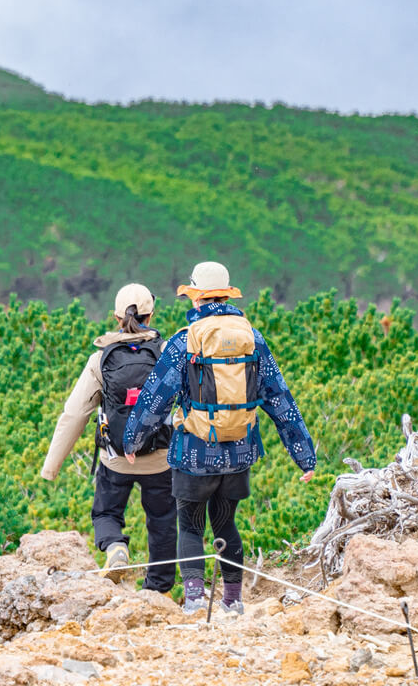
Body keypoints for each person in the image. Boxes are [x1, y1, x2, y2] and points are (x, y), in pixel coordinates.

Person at [123, 261, 316, 615]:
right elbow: (280, 400)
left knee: (191, 525)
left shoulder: (185, 341)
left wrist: (133, 440)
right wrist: (304, 456)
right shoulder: (252, 338)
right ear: (227, 296)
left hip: (194, 454)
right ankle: (233, 600)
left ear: (195, 297)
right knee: (226, 522)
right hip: (240, 451)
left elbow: (156, 397)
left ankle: (195, 600)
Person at [40, 283, 177, 594]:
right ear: (151, 313)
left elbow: (75, 414)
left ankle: (116, 547)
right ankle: (157, 590)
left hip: (115, 459)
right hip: (160, 459)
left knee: (106, 513)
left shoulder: (100, 359)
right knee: (163, 520)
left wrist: (51, 467)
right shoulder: (168, 353)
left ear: (116, 317)